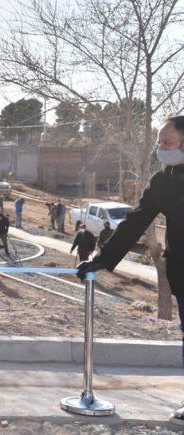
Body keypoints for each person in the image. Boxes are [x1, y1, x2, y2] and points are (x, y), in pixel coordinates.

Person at [75, 116, 184, 425]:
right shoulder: (164, 181)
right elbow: (137, 220)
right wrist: (103, 259)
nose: (161, 149)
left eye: (168, 143)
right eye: (159, 143)